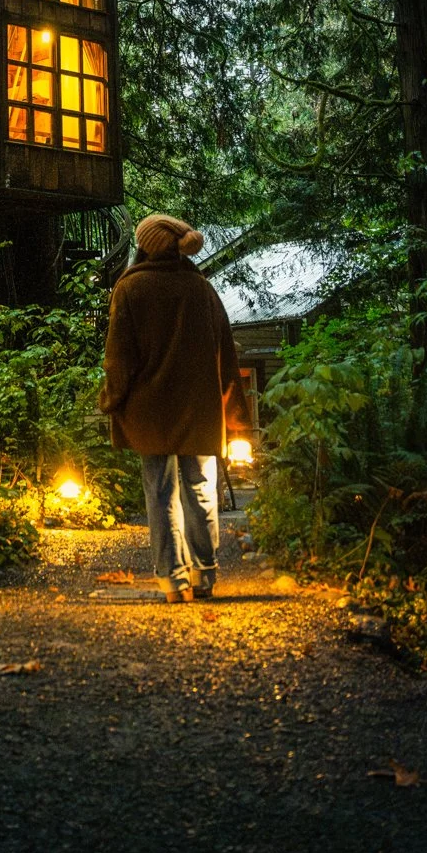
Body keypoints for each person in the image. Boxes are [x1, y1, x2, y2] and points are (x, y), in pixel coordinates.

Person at [99, 213, 251, 603]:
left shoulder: (130, 288)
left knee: (160, 492)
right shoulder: (202, 290)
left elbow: (119, 357)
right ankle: (205, 573)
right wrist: (236, 418)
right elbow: (226, 357)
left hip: (149, 413)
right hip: (199, 410)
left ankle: (173, 580)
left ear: (145, 246)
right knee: (202, 488)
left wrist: (111, 399)